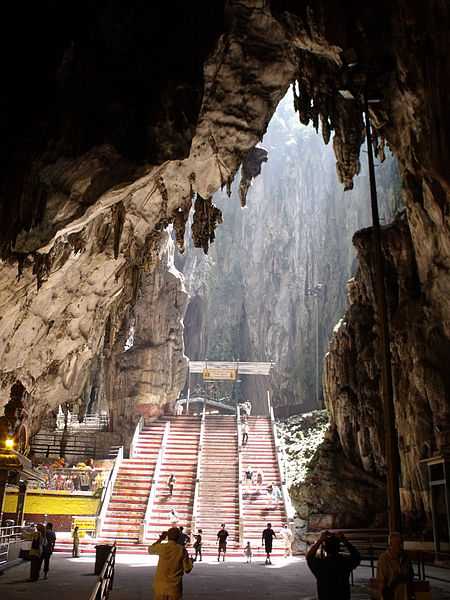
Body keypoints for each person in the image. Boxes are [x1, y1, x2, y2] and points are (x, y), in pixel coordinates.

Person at [306, 530, 361, 600]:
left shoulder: (320, 564)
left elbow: (309, 557)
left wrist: (320, 540)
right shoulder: (345, 562)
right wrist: (344, 540)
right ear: (339, 548)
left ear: (325, 549)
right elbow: (357, 556)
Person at [148, 528, 193, 600]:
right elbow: (187, 569)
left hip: (160, 587)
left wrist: (160, 539)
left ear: (167, 537)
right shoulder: (181, 549)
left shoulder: (162, 547)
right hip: (174, 588)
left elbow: (150, 549)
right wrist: (191, 562)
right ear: (178, 537)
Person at [376, 532, 414, 600]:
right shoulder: (384, 558)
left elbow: (411, 574)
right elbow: (381, 580)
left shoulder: (405, 557)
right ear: (391, 544)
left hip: (404, 593)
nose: (400, 546)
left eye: (401, 543)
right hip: (391, 594)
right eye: (398, 543)